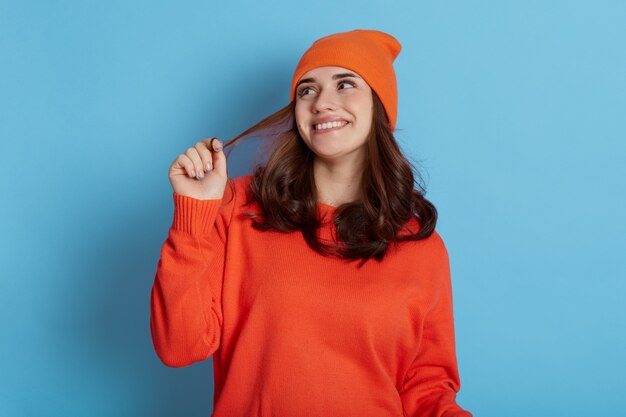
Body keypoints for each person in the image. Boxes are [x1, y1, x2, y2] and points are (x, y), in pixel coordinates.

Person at [150, 29, 473, 417]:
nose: (322, 102)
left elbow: (426, 386)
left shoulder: (420, 244)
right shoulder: (237, 208)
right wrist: (193, 214)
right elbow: (179, 346)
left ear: (379, 105)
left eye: (345, 84)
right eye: (307, 90)